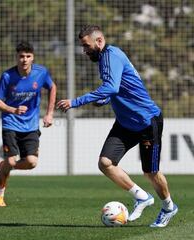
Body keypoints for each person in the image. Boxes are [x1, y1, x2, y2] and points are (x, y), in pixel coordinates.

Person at [57, 25, 178, 228]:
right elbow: (118, 88)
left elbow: (111, 87)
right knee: (105, 163)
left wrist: (76, 101)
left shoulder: (112, 54)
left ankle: (168, 207)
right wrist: (104, 100)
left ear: (99, 41)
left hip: (146, 121)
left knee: (151, 172)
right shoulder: (103, 58)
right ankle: (141, 197)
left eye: (86, 46)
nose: (84, 50)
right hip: (124, 123)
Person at [0, 41, 57, 207]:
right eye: (21, 56)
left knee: (31, 162)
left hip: (31, 126)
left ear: (32, 57)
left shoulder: (41, 73)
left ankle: (6, 166)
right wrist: (12, 110)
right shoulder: (7, 76)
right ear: (17, 57)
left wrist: (49, 113)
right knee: (12, 160)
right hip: (10, 124)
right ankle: (0, 195)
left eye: (28, 56)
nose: (24, 59)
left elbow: (52, 87)